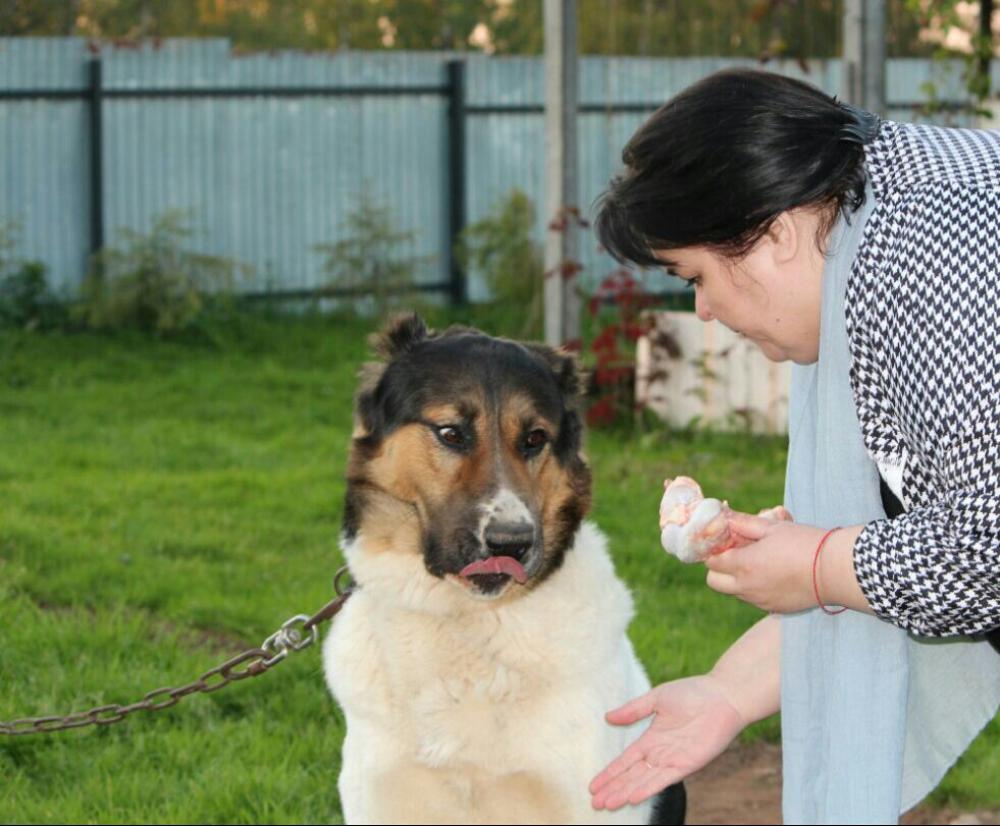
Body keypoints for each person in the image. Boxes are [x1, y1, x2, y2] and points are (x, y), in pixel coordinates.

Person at [587, 68, 1000, 824]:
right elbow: (926, 537)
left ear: (774, 232)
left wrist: (820, 563)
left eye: (695, 277)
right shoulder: (885, 208)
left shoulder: (923, 256)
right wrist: (730, 691)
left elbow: (987, 548)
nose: (703, 310)